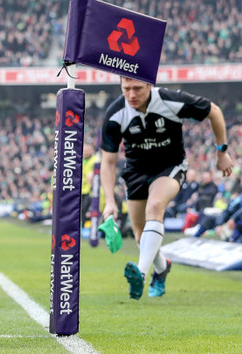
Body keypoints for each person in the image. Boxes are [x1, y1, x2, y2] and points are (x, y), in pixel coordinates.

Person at [100, 76, 233, 300]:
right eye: (126, 89)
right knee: (142, 236)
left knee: (155, 206)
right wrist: (110, 201)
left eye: (138, 89)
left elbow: (215, 111)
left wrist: (222, 152)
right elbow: (108, 162)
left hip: (170, 167)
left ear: (149, 85)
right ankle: (162, 269)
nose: (132, 94)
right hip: (136, 173)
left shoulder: (172, 100)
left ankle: (140, 275)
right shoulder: (115, 114)